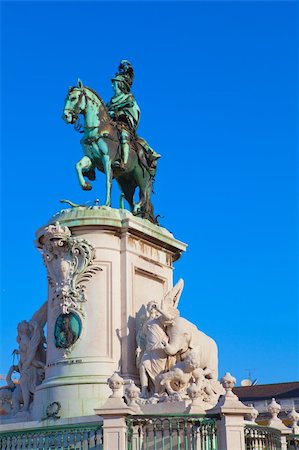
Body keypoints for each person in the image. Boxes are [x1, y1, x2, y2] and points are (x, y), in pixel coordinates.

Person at [106, 60, 160, 173]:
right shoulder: (110, 102)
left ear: (120, 85)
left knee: (124, 136)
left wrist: (121, 115)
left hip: (123, 125)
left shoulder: (129, 99)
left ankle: (124, 162)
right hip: (111, 125)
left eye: (115, 84)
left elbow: (135, 112)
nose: (112, 86)